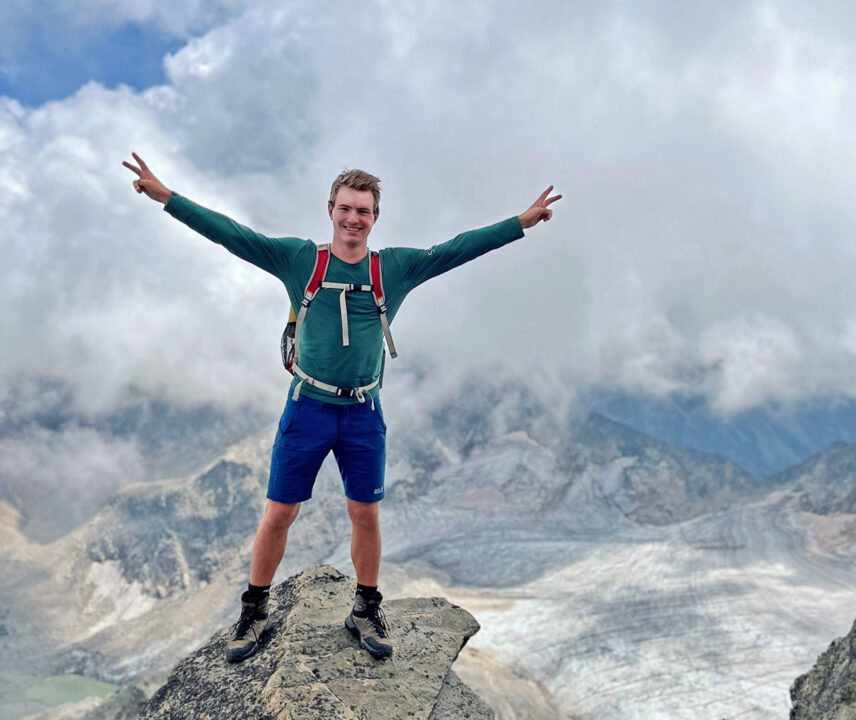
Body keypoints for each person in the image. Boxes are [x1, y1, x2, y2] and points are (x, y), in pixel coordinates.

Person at [123, 152, 561, 661]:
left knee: (365, 513)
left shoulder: (393, 268)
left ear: (376, 218)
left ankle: (365, 608)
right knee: (279, 514)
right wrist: (167, 199)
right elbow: (233, 234)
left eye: (364, 212)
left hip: (362, 412)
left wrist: (520, 224)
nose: (354, 219)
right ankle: (255, 610)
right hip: (307, 405)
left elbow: (456, 250)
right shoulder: (299, 260)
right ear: (330, 209)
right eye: (346, 209)